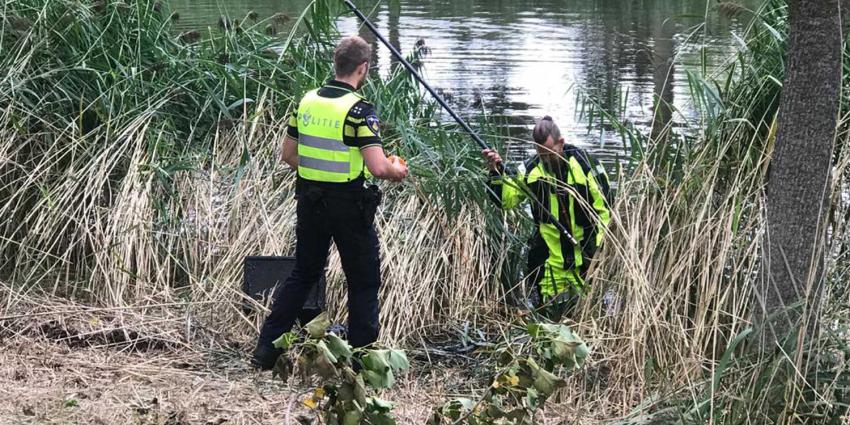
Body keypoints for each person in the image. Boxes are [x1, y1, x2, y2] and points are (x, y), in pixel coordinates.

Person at [252, 36, 409, 370]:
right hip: (349, 204)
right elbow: (378, 167)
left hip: (309, 199)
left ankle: (266, 350)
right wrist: (398, 171)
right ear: (363, 68)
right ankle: (362, 360)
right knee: (363, 279)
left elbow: (288, 155)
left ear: (336, 64)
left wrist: (318, 174)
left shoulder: (307, 102)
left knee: (304, 272)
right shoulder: (359, 110)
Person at [482, 116, 610, 318]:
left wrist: (599, 251)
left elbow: (606, 211)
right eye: (541, 155)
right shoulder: (531, 170)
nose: (546, 159)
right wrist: (496, 173)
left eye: (550, 153)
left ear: (561, 143)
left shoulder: (587, 166)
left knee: (588, 314)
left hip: (586, 258)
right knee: (549, 318)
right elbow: (505, 201)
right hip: (549, 261)